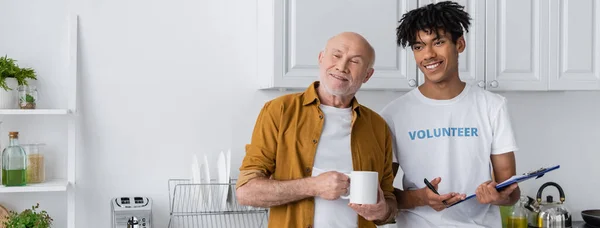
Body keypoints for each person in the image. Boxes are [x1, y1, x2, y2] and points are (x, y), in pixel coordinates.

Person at [380, 1, 521, 227]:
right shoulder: (394, 114)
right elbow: (383, 197)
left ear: (460, 44)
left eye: (438, 42)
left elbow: (512, 191)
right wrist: (420, 198)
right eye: (418, 46)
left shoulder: (493, 106)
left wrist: (499, 196)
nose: (428, 54)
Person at [236, 31, 398, 228]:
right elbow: (246, 192)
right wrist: (313, 186)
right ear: (321, 58)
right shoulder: (279, 111)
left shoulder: (377, 126)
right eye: (336, 55)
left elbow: (389, 199)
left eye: (354, 61)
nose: (342, 66)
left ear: (367, 75)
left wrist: (383, 211)